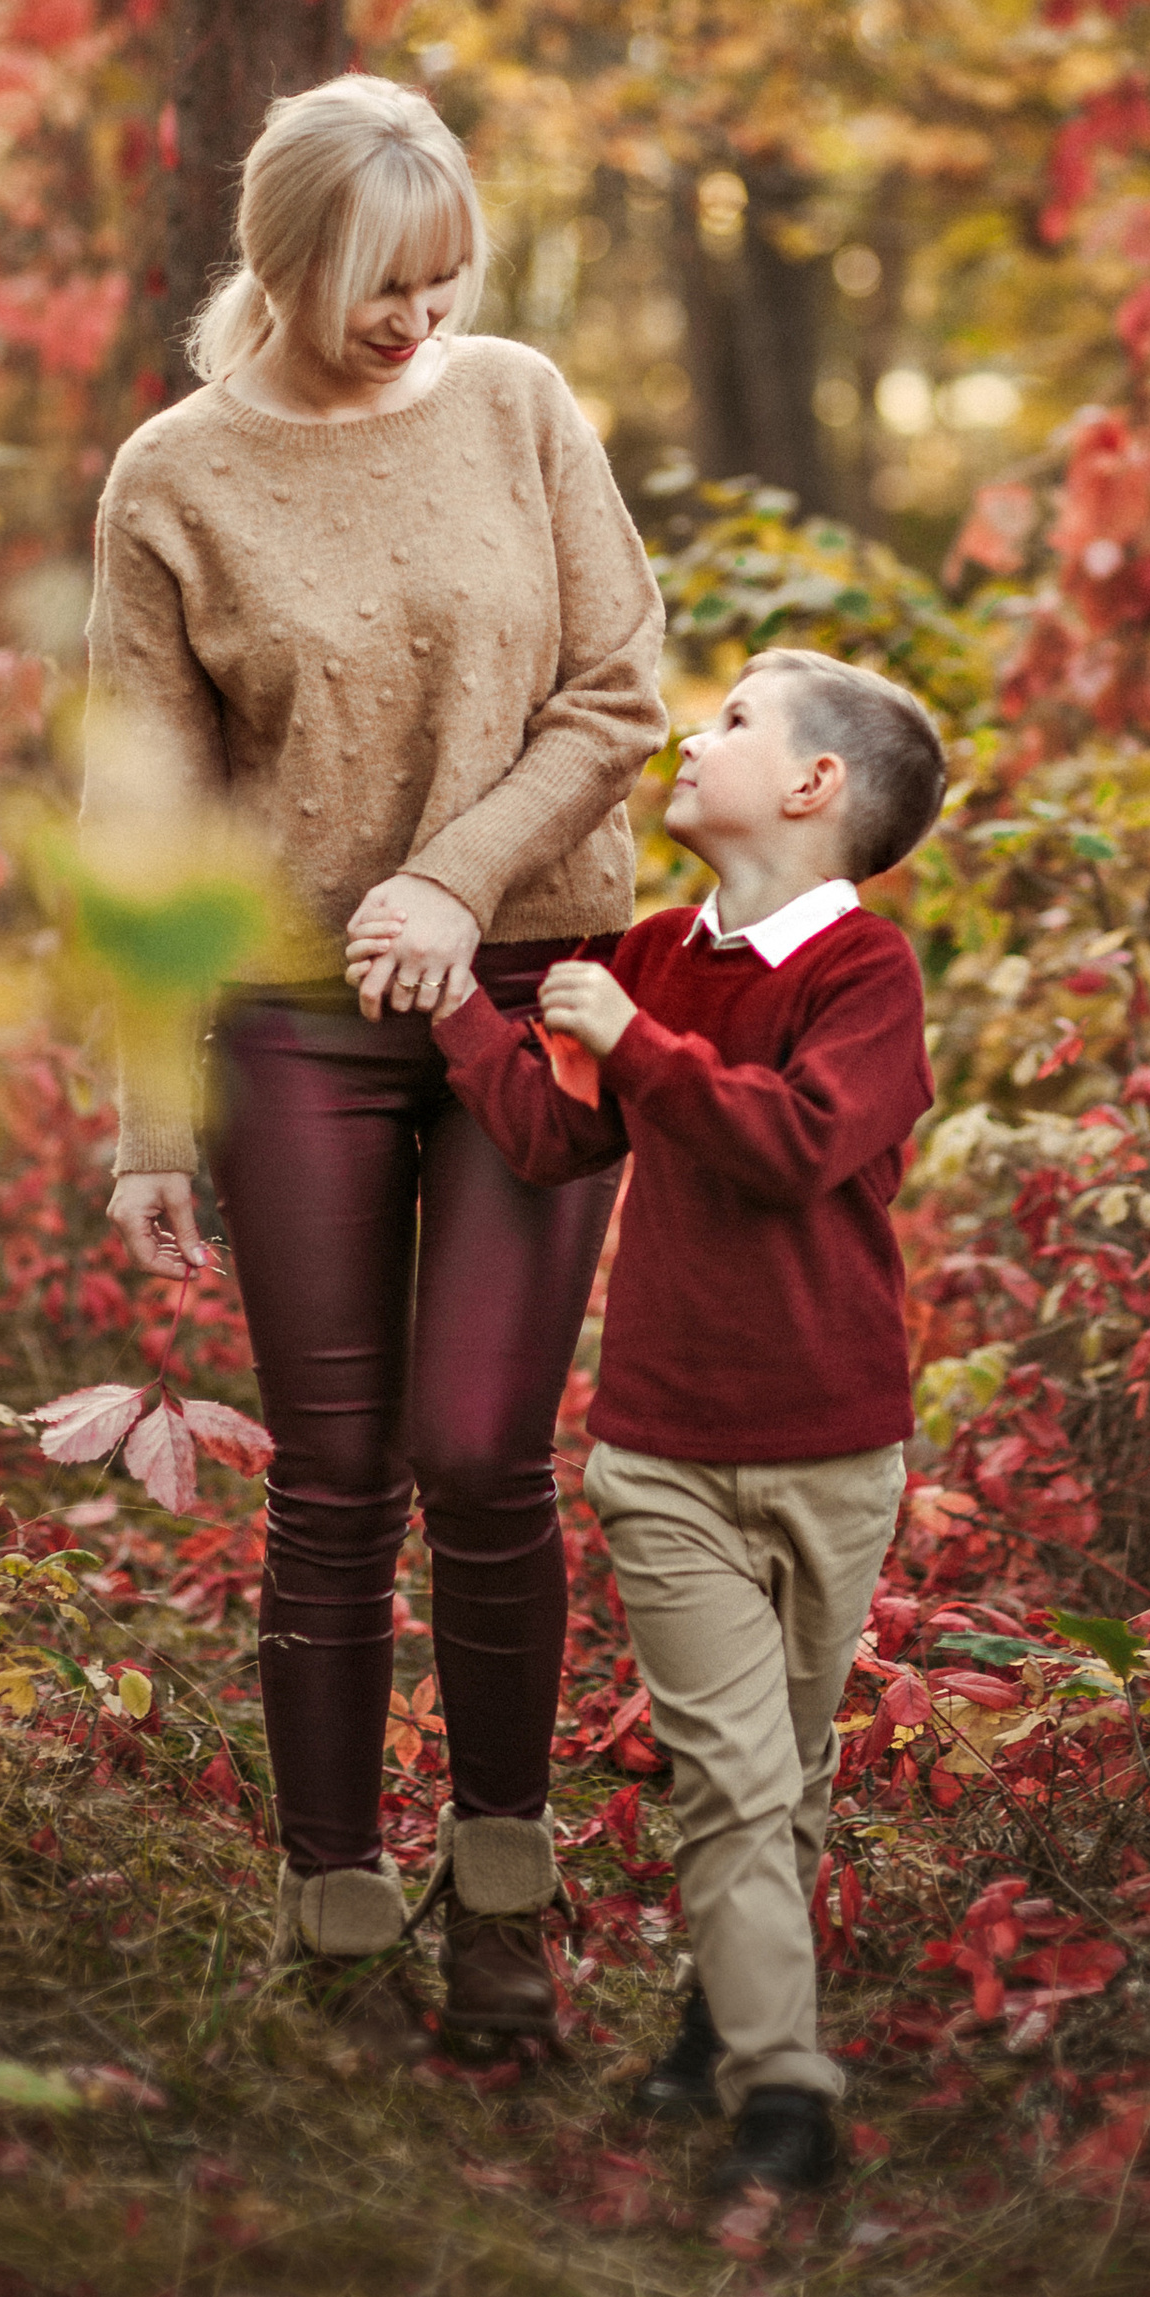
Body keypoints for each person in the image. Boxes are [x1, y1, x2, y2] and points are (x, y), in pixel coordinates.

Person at [84, 77, 665, 2043]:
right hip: (293, 1019)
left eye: (444, 279)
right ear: (283, 265)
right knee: (336, 1480)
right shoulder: (174, 478)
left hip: (536, 987)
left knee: (483, 1455)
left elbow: (615, 692)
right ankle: (332, 1917)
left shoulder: (516, 405)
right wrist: (146, 1114)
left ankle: (502, 1897)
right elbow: (141, 821)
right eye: (381, 288)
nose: (420, 320)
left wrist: (449, 877)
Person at [432, 645, 946, 2194]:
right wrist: (460, 1010)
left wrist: (631, 1038)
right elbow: (551, 1139)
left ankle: (720, 2021)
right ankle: (786, 2092)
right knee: (731, 1771)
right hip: (662, 1449)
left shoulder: (866, 978)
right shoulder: (651, 955)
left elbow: (795, 1144)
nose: (689, 739)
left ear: (813, 784)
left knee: (789, 1768)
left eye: (729, 721)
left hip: (835, 1444)